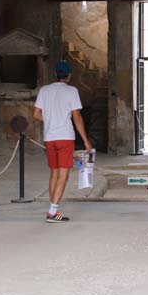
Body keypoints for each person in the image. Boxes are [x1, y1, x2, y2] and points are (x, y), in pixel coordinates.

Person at [33, 60, 93, 223]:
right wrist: (86, 141)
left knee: (54, 173)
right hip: (65, 137)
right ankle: (52, 213)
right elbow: (77, 117)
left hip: (49, 138)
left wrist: (51, 119)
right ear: (69, 76)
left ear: (55, 75)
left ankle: (53, 210)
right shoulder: (72, 91)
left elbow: (36, 114)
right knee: (63, 175)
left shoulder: (44, 90)